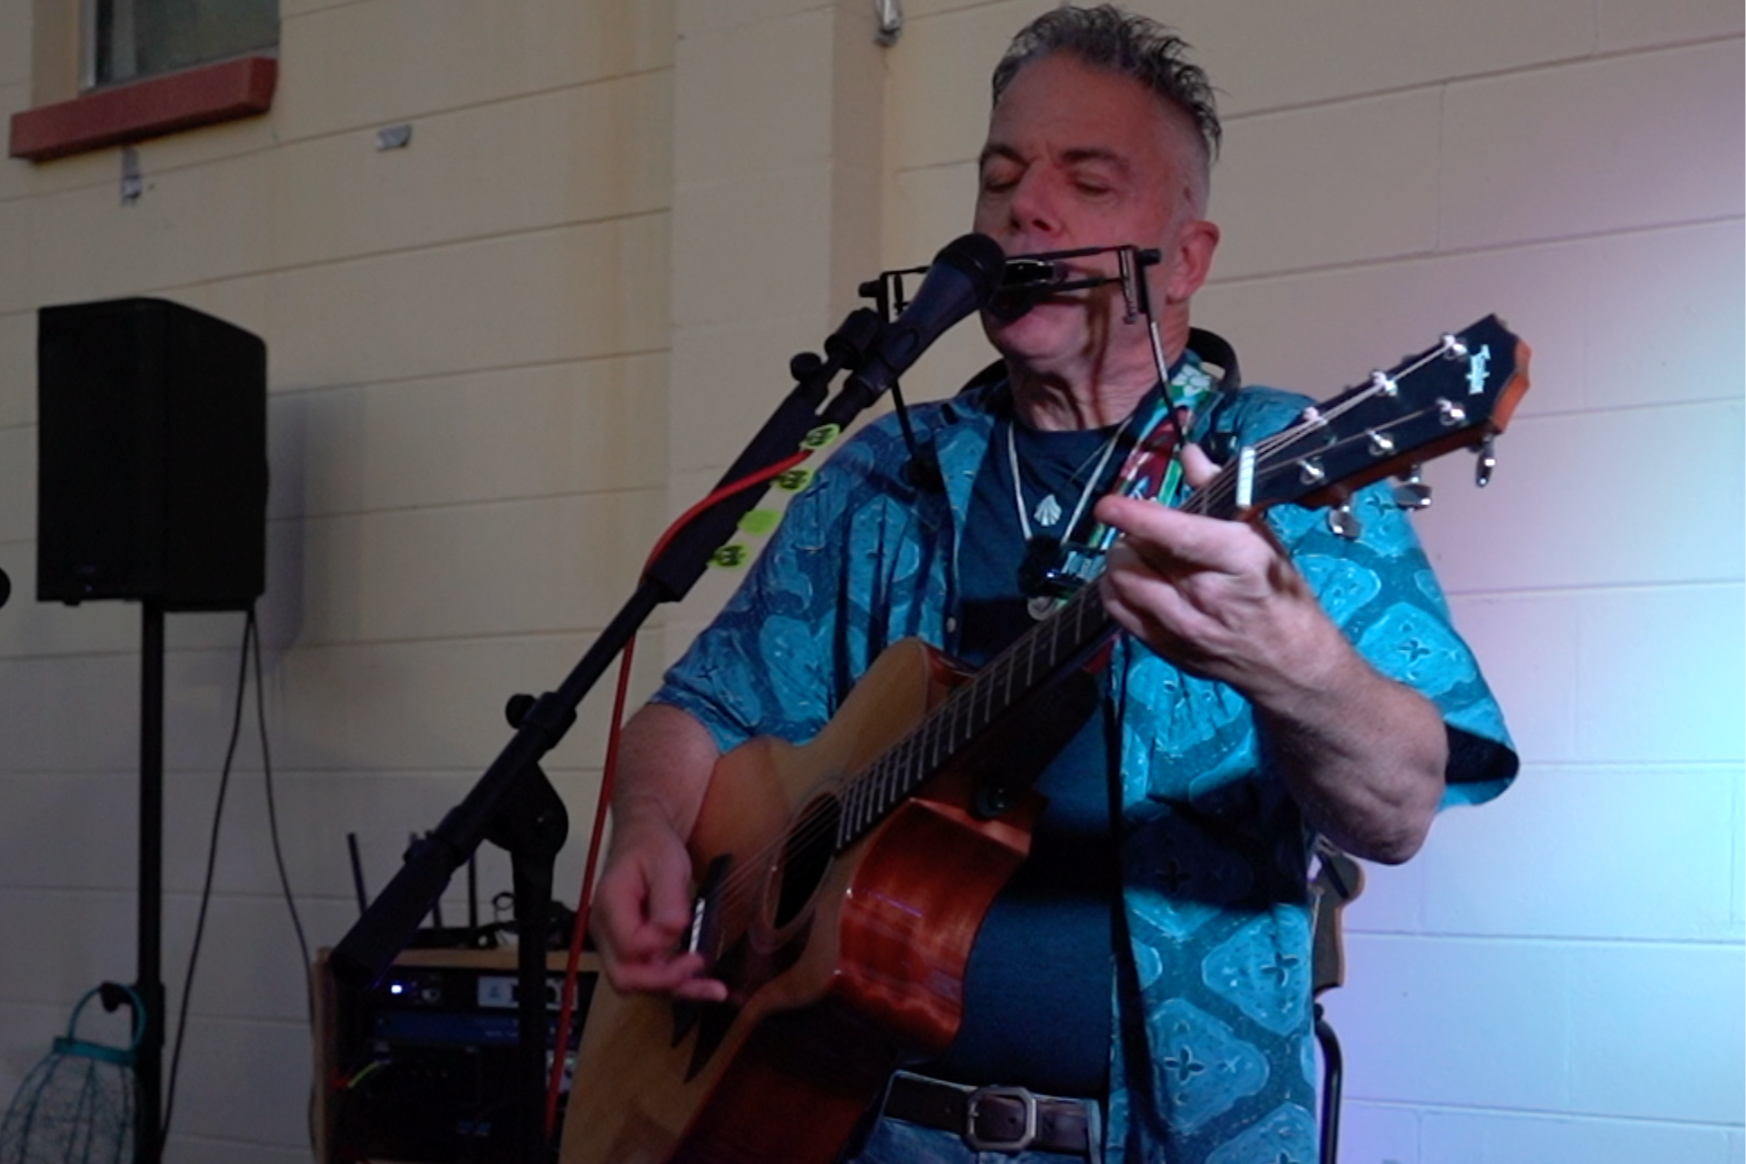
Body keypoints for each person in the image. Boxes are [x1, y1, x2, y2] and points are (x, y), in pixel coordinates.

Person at [590, 6, 1517, 1162]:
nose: (1026, 208)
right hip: (845, 1127)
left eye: (1087, 182)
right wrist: (648, 831)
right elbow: (701, 710)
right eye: (1000, 176)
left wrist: (1294, 663)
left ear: (1186, 259)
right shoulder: (893, 468)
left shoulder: (1269, 464)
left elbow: (1402, 807)